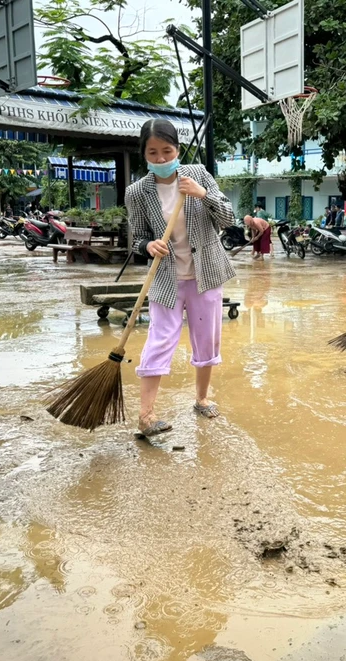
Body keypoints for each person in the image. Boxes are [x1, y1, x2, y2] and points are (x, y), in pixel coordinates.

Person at [124, 119, 235, 435]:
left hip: (206, 274)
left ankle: (201, 399)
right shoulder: (138, 192)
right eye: (153, 152)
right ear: (144, 153)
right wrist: (148, 244)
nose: (160, 159)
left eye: (167, 151)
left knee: (207, 341)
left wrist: (203, 194)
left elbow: (227, 218)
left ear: (177, 150)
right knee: (159, 340)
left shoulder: (199, 175)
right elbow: (136, 238)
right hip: (166, 279)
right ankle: (146, 416)